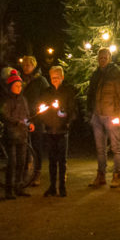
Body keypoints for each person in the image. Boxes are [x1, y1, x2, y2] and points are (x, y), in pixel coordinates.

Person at [36, 65, 80, 197]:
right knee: (51, 160)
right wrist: (45, 119)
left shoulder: (67, 92)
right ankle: (52, 186)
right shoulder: (47, 92)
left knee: (62, 160)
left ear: (62, 77)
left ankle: (62, 186)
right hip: (50, 130)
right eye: (52, 78)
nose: (54, 80)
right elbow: (42, 109)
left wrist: (65, 117)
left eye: (57, 77)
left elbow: (73, 110)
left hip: (62, 130)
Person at [87, 47, 120, 189]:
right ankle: (101, 175)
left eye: (104, 57)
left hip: (111, 115)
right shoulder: (96, 74)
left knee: (115, 147)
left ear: (109, 58)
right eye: (100, 57)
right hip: (97, 115)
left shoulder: (115, 73)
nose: (102, 60)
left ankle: (117, 175)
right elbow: (90, 93)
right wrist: (90, 112)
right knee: (100, 148)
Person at [0, 69, 34, 199]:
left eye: (20, 86)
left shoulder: (23, 99)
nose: (19, 88)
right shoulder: (7, 100)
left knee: (21, 162)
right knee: (12, 163)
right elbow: (4, 115)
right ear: (10, 86)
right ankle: (9, 190)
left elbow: (27, 113)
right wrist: (17, 122)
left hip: (22, 135)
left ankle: (19, 187)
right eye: (16, 85)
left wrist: (30, 122)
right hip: (11, 135)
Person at [19, 55, 49, 187]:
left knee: (36, 146)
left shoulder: (40, 80)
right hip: (23, 117)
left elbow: (47, 95)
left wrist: (41, 110)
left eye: (28, 65)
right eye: (24, 65)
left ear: (33, 65)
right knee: (24, 145)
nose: (26, 67)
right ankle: (25, 172)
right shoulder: (20, 80)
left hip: (36, 118)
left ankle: (37, 172)